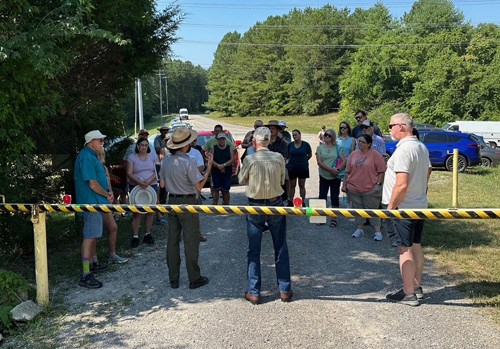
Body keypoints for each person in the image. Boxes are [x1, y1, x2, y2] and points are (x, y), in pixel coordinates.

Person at [238, 126, 292, 304]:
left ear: (255, 142)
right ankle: (284, 289)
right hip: (276, 203)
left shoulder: (250, 159)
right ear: (269, 141)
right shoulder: (278, 158)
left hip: (255, 206)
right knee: (280, 246)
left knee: (253, 250)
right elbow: (283, 178)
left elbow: (241, 180)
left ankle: (254, 291)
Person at [383, 113, 431, 306]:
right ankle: (416, 286)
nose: (389, 130)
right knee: (416, 246)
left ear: (402, 127)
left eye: (391, 125)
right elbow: (428, 171)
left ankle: (408, 292)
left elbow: (401, 184)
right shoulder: (421, 146)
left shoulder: (404, 150)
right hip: (419, 205)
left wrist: (390, 207)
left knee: (405, 249)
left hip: (402, 208)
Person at [159, 127, 213, 289]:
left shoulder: (166, 161)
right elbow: (199, 186)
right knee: (191, 240)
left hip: (171, 201)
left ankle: (173, 279)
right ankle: (194, 278)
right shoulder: (188, 161)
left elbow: (162, 184)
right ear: (185, 145)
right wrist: (209, 166)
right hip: (187, 202)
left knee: (172, 240)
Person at [74, 130, 113, 288]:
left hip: (95, 201)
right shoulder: (86, 157)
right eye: (100, 141)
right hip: (91, 202)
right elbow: (93, 184)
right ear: (91, 142)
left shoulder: (90, 156)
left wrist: (107, 194)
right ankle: (85, 274)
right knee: (89, 236)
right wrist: (107, 194)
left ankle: (92, 264)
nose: (103, 143)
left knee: (92, 235)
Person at [342, 134, 386, 241]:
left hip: (371, 189)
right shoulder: (353, 154)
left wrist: (378, 185)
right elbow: (347, 171)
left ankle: (377, 231)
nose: (359, 143)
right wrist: (344, 184)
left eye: (362, 142)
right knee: (358, 210)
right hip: (354, 188)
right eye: (359, 141)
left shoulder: (375, 155)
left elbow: (381, 171)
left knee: (373, 211)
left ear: (369, 144)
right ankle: (359, 229)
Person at [97, 149, 129, 265]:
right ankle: (93, 259)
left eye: (102, 154)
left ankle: (112, 254)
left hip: (106, 201)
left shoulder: (105, 168)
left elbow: (108, 184)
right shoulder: (93, 167)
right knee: (95, 232)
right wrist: (106, 194)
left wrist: (110, 193)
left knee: (113, 227)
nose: (100, 155)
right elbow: (93, 185)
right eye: (98, 154)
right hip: (96, 201)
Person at [127, 136, 159, 248]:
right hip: (136, 187)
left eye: (146, 145)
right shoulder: (132, 157)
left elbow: (157, 171)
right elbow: (129, 173)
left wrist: (149, 181)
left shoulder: (153, 156)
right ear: (137, 146)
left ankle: (147, 234)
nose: (144, 147)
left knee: (150, 211)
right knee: (137, 212)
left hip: (151, 186)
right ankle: (135, 236)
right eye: (141, 145)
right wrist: (139, 181)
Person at [315, 129, 345, 227]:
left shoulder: (338, 147)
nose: (327, 137)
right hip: (324, 175)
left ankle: (334, 218)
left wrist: (338, 169)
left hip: (335, 176)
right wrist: (331, 170)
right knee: (322, 196)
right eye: (325, 135)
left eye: (329, 135)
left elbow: (344, 160)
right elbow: (319, 162)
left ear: (333, 137)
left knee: (334, 197)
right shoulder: (320, 148)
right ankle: (320, 217)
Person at [266, 120, 289, 204]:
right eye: (269, 129)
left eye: (272, 128)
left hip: (279, 170)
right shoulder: (265, 142)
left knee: (281, 188)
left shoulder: (282, 142)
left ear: (277, 130)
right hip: (267, 170)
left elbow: (285, 156)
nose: (271, 130)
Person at [286, 129, 312, 207]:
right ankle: (290, 201)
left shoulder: (306, 144)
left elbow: (310, 154)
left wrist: (304, 160)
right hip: (292, 167)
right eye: (293, 135)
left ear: (300, 135)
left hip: (303, 168)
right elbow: (288, 155)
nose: (294, 136)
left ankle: (302, 201)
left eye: (296, 134)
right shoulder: (290, 145)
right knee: (292, 185)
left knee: (302, 185)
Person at [210, 132, 234, 205]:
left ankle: (226, 204)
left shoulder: (229, 148)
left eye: (223, 139)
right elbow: (211, 159)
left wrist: (224, 165)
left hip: (227, 171)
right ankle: (215, 204)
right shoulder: (213, 148)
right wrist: (218, 165)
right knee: (216, 189)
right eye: (220, 139)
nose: (222, 141)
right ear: (217, 140)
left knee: (226, 189)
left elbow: (232, 159)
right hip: (216, 171)